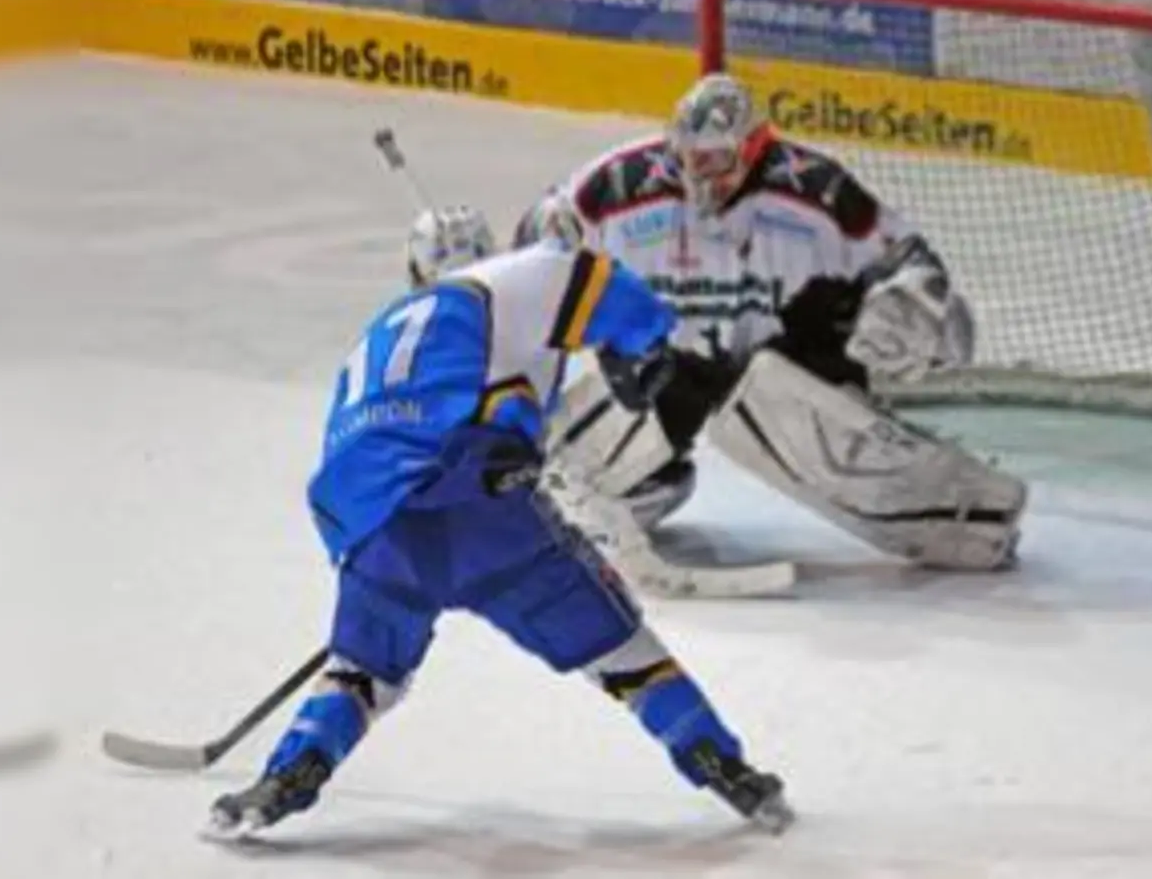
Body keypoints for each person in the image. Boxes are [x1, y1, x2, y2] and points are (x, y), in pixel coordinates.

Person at [208, 206, 793, 837]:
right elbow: (594, 280)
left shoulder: (379, 332)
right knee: (621, 649)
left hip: (370, 522)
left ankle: (285, 777)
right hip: (483, 511)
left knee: (363, 668)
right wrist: (644, 350)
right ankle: (722, 764)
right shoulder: (510, 282)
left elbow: (357, 457)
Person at [509, 73, 1026, 578]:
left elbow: (909, 263)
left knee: (970, 523)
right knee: (546, 494)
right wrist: (544, 255)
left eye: (716, 160)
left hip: (792, 367)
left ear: (753, 148)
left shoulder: (816, 189)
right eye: (689, 157)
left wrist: (910, 312)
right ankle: (648, 480)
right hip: (663, 372)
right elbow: (537, 238)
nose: (699, 174)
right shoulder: (621, 183)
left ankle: (956, 512)